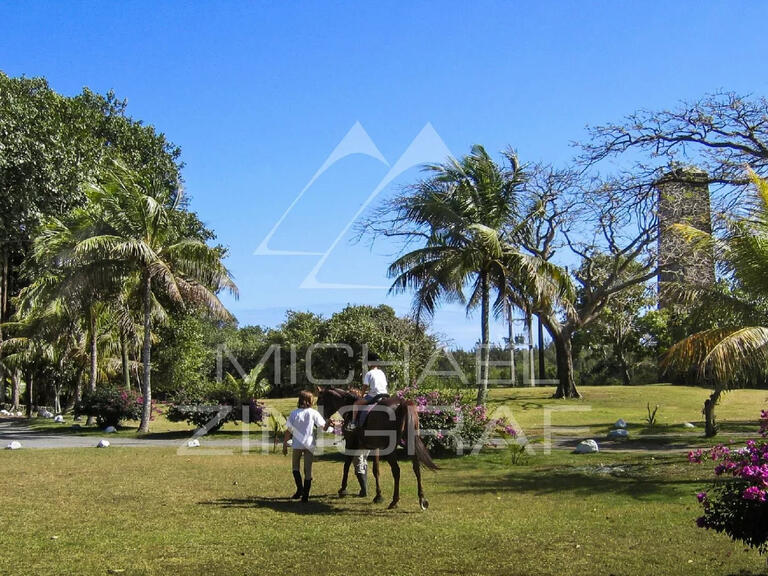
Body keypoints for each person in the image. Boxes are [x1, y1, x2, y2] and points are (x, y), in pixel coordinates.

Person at [283, 390, 335, 503]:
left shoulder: (294, 413)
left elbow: (288, 431)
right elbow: (323, 428)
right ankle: (305, 495)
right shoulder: (313, 413)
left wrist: (285, 445)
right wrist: (329, 424)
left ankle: (299, 489)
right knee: (308, 470)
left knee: (295, 468)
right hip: (309, 444)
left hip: (297, 444)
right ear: (309, 401)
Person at [346, 352, 389, 433]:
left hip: (375, 396)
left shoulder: (369, 373)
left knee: (356, 404)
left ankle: (353, 423)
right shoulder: (382, 372)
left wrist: (361, 396)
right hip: (385, 395)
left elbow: (365, 386)